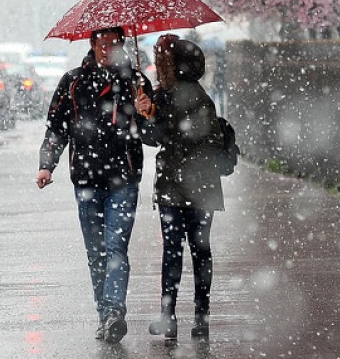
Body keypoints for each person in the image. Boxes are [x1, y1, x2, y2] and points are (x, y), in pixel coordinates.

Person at [36, 26, 152, 343]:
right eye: (103, 43)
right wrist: (47, 165)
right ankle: (105, 315)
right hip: (86, 179)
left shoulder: (136, 82)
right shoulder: (73, 82)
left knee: (116, 249)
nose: (108, 49)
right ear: (92, 43)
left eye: (114, 44)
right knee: (96, 252)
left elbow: (153, 136)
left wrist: (147, 113)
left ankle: (114, 311)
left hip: (123, 180)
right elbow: (56, 128)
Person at [135, 34, 225, 340]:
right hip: (204, 186)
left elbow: (157, 138)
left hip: (175, 187)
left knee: (172, 251)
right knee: (201, 250)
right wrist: (150, 113)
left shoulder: (168, 96)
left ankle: (168, 315)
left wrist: (148, 115)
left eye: (161, 58)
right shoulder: (202, 96)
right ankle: (201, 317)